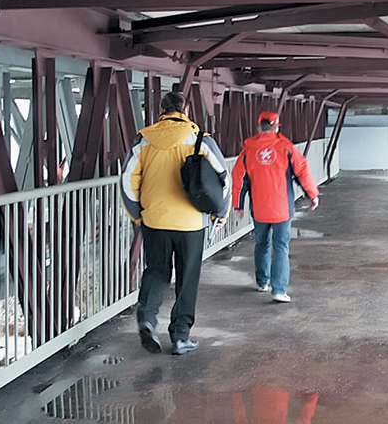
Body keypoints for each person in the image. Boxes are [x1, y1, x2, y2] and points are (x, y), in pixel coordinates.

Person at [121, 91, 230, 355]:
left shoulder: (143, 140)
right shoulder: (200, 139)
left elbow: (127, 180)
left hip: (154, 220)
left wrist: (138, 214)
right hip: (191, 223)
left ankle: (147, 316)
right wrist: (220, 215)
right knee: (187, 278)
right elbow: (224, 180)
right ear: (185, 110)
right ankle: (180, 337)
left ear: (160, 109)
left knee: (157, 271)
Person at [231, 111, 319, 303]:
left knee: (261, 244)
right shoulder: (286, 148)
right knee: (281, 247)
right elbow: (302, 171)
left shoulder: (248, 150)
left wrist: (238, 204)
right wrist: (312, 194)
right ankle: (279, 290)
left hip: (260, 208)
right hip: (282, 208)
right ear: (277, 127)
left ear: (258, 127)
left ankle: (263, 282)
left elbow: (238, 177)